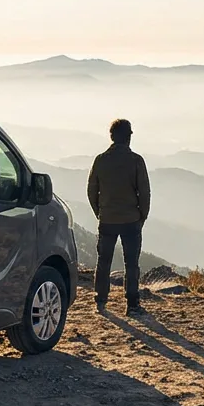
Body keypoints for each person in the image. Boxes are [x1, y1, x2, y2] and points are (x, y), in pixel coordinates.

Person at [86, 118, 151, 316]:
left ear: (112, 137)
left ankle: (100, 299)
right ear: (128, 137)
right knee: (131, 263)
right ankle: (132, 303)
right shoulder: (136, 161)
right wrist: (142, 217)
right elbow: (145, 192)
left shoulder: (100, 160)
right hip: (131, 220)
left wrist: (100, 212)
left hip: (107, 219)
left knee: (103, 260)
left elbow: (91, 191)